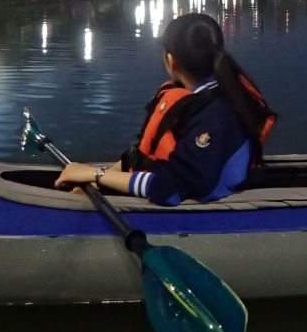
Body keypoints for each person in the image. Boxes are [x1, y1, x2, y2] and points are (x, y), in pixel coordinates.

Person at [55, 13, 276, 205]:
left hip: (193, 197)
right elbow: (141, 155)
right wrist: (97, 181)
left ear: (171, 62)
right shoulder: (203, 97)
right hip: (173, 178)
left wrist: (95, 174)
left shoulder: (215, 112)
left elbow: (168, 188)